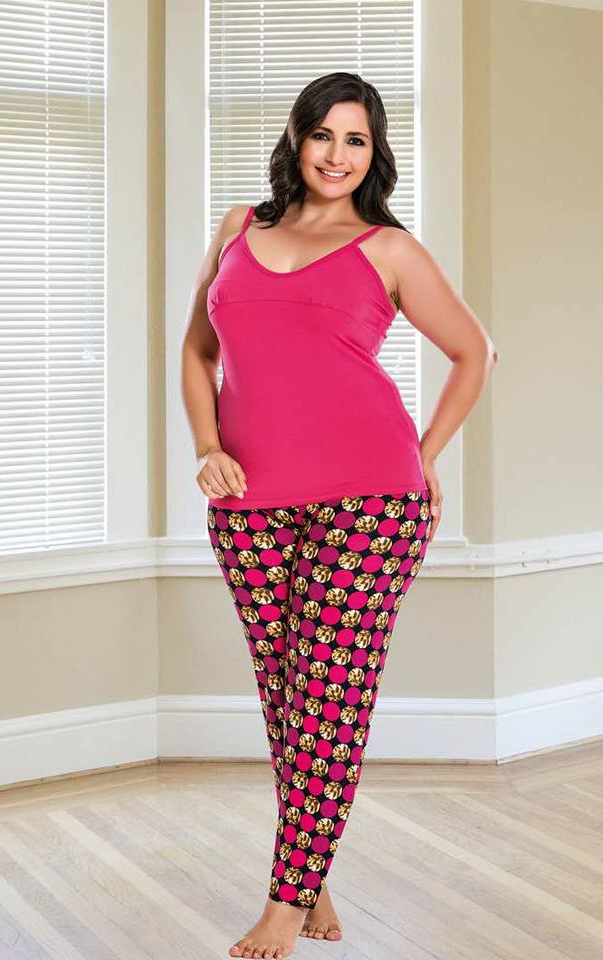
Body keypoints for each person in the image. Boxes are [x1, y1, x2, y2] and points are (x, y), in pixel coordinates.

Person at [181, 71, 498, 960]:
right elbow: (198, 351)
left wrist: (424, 456)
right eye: (323, 134)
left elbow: (475, 352)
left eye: (356, 140)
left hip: (370, 503)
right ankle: (312, 868)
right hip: (247, 503)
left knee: (330, 697)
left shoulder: (389, 249)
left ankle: (285, 903)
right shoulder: (238, 229)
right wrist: (206, 445)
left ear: (374, 153)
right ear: (296, 137)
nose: (336, 154)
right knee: (287, 695)